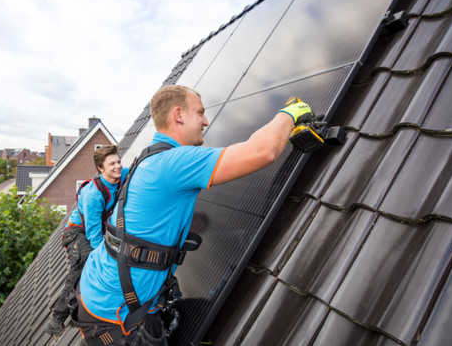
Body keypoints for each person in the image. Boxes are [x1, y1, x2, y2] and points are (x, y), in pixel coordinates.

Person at [76, 85, 313, 345]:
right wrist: (288, 114)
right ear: (179, 115)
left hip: (102, 290)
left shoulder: (148, 158)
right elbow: (263, 151)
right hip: (114, 316)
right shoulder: (175, 162)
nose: (206, 121)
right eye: (200, 113)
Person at [45, 144, 129, 336]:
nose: (117, 166)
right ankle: (57, 319)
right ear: (100, 168)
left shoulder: (121, 176)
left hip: (99, 229)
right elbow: (93, 235)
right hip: (78, 233)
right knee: (87, 263)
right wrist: (104, 257)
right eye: (112, 164)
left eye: (118, 162)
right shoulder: (93, 194)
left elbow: (138, 172)